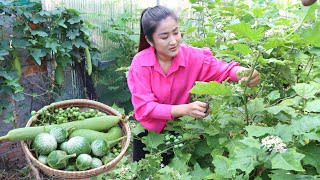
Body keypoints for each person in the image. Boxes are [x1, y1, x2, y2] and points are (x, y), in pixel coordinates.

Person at [127, 5, 260, 162]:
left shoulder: (193, 57)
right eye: (164, 37)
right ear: (150, 40)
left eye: (176, 32)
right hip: (147, 133)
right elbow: (144, 108)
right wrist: (185, 109)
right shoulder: (141, 64)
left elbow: (221, 70)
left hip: (176, 130)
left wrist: (243, 73)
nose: (173, 41)